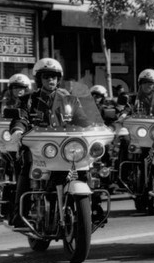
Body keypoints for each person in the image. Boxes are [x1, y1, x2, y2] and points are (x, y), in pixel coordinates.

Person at [9, 58, 93, 227]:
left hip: (65, 147)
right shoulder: (28, 100)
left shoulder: (70, 100)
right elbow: (20, 119)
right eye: (46, 76)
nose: (50, 79)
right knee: (27, 164)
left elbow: (84, 120)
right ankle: (20, 212)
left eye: (54, 76)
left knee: (86, 165)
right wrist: (18, 131)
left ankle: (90, 208)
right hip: (39, 148)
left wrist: (94, 129)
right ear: (39, 79)